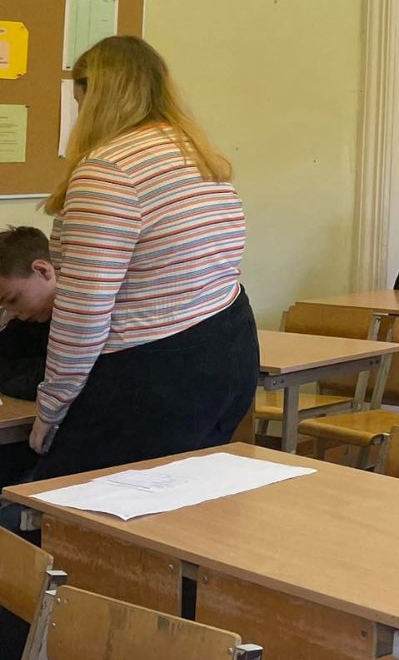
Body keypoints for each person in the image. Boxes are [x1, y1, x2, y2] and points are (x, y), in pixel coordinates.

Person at [32, 36, 258, 481]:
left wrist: (52, 405)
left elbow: (84, 311)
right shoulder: (196, 154)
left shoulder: (108, 170)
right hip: (229, 343)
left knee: (55, 499)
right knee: (180, 499)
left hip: (156, 368)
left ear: (95, 96)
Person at [0, 227, 53, 487]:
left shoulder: (78, 325)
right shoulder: (26, 321)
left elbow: (45, 379)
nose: (12, 312)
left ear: (43, 271)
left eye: (13, 299)